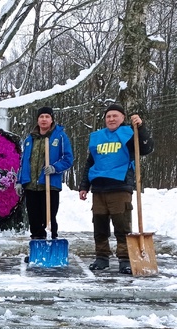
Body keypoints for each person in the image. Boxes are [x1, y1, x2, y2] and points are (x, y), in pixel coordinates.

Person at [79, 103, 154, 274]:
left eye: (115, 116)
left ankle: (125, 259)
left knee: (122, 225)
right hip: (99, 188)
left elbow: (146, 148)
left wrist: (141, 127)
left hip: (120, 187)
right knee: (99, 225)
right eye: (108, 116)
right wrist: (84, 186)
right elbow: (90, 163)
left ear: (122, 118)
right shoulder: (98, 137)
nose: (111, 119)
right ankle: (102, 257)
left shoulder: (129, 135)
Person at [17, 106, 73, 240]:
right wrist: (19, 181)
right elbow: (24, 161)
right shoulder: (30, 139)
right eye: (41, 117)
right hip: (31, 185)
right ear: (37, 120)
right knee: (34, 220)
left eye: (47, 117)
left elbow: (68, 158)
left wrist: (55, 168)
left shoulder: (59, 136)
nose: (44, 119)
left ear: (52, 119)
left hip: (49, 185)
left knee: (48, 218)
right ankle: (37, 249)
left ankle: (51, 244)